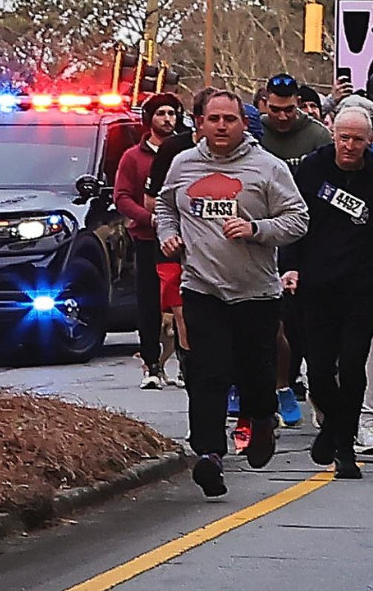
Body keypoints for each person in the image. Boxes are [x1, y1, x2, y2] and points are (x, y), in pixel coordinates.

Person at [156, 89, 308, 499]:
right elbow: (165, 208)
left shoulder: (267, 168)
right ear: (200, 123)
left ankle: (262, 420)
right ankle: (209, 454)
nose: (222, 126)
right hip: (202, 286)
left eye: (230, 119)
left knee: (255, 372)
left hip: (256, 292)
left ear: (244, 123)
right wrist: (169, 236)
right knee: (207, 372)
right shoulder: (183, 164)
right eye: (214, 119)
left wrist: (256, 229)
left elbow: (298, 220)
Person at [283, 105, 373, 478]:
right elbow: (294, 220)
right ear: (333, 135)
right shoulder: (312, 169)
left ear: (369, 141)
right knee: (321, 369)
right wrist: (290, 265)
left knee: (354, 361)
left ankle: (344, 445)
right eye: (344, 138)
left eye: (358, 140)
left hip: (363, 284)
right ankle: (332, 427)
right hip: (317, 283)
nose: (350, 146)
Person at [115, 89, 186, 389]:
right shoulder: (133, 157)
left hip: (182, 240)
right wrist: (148, 219)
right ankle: (151, 364)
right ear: (149, 120)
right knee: (149, 302)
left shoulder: (185, 153)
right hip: (146, 238)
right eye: (161, 113)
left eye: (172, 113)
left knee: (183, 300)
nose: (167, 119)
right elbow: (122, 197)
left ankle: (186, 362)